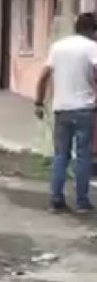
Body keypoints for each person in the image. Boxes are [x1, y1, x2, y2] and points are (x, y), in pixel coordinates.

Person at [35, 12, 97, 212]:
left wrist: (38, 102)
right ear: (92, 30)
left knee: (61, 155)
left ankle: (56, 199)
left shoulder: (58, 47)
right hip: (85, 109)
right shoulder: (92, 48)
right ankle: (81, 202)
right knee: (83, 156)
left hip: (61, 109)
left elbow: (44, 76)